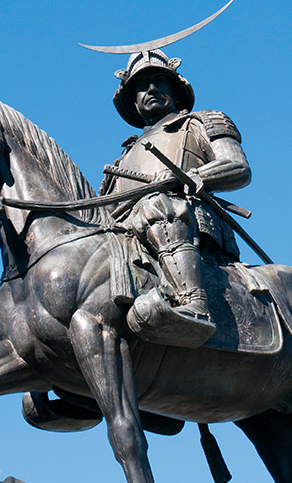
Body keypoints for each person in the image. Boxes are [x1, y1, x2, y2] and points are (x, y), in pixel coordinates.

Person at [99, 49, 251, 346]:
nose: (151, 89)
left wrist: (196, 177)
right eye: (141, 85)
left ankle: (193, 304)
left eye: (160, 81)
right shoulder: (121, 159)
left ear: (175, 89)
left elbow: (238, 167)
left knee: (159, 207)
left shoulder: (200, 123)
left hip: (189, 225)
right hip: (130, 240)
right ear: (132, 99)